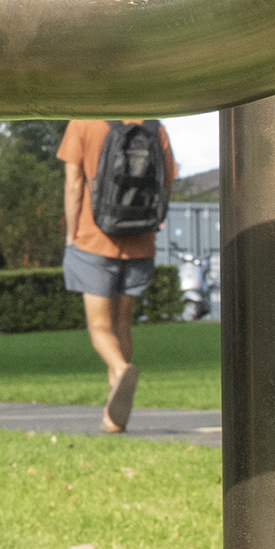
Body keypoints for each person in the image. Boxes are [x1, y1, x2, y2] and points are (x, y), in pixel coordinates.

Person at [58, 116, 176, 433]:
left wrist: (72, 234)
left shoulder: (82, 123)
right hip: (140, 241)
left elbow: (74, 184)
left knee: (99, 326)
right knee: (122, 324)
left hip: (93, 241)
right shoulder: (153, 126)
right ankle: (113, 418)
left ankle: (120, 368)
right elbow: (168, 180)